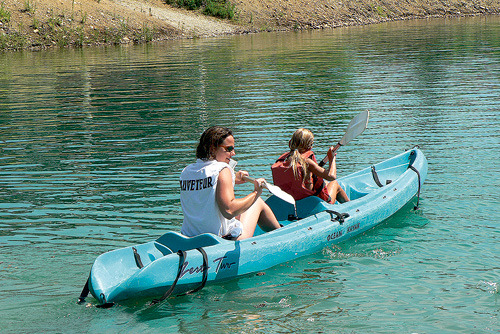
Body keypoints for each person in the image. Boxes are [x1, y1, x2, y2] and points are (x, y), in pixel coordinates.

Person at [180, 126, 281, 240]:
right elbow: (229, 210)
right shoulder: (222, 169)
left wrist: (233, 178)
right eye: (229, 149)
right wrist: (256, 192)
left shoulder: (187, 171)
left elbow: (207, 186)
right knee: (257, 202)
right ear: (212, 148)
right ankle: (283, 235)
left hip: (189, 238)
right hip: (220, 241)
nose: (233, 153)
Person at [271, 128, 349, 204]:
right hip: (311, 202)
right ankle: (351, 207)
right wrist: (332, 159)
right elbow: (331, 176)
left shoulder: (282, 160)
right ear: (310, 147)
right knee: (334, 183)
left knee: (325, 183)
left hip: (290, 201)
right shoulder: (307, 162)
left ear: (290, 143)